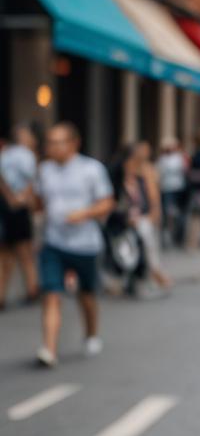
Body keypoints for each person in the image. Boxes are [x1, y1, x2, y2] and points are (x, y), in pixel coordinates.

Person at [31, 121, 115, 366]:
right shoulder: (44, 170)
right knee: (51, 294)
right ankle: (49, 348)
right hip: (53, 242)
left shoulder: (91, 169)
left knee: (86, 295)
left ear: (74, 144)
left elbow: (107, 201)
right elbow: (38, 202)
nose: (53, 148)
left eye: (59, 142)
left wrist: (84, 213)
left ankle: (91, 334)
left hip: (85, 244)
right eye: (50, 143)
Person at [0, 121, 41, 309]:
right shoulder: (27, 155)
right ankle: (32, 289)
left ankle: (1, 294)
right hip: (19, 208)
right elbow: (31, 181)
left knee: (5, 253)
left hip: (4, 206)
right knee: (25, 251)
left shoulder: (5, 153)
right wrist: (21, 199)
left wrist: (8, 197)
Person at [122, 140, 173, 292]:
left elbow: (153, 194)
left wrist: (155, 212)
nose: (145, 153)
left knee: (150, 244)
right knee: (133, 247)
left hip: (145, 215)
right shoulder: (127, 168)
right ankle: (144, 274)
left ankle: (154, 271)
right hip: (130, 216)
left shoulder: (149, 169)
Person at [157, 138, 190, 248]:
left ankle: (178, 236)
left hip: (178, 188)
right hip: (167, 189)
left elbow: (186, 170)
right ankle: (168, 236)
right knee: (168, 213)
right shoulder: (162, 159)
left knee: (176, 214)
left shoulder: (180, 158)